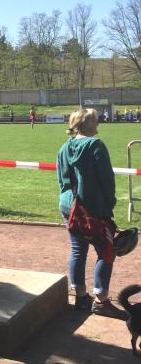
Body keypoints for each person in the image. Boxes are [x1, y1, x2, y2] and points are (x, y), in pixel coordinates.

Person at [57, 108, 121, 317]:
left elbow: (61, 180)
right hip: (92, 208)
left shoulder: (63, 148)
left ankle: (81, 296)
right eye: (95, 120)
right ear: (85, 124)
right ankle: (101, 300)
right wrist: (109, 203)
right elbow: (107, 180)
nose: (98, 124)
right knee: (106, 250)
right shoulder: (95, 145)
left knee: (78, 250)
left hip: (69, 206)